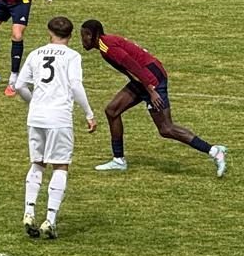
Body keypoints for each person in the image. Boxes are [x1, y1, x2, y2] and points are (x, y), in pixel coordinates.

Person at [80, 19, 227, 177]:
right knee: (112, 111)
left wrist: (151, 91)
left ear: (91, 35)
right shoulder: (107, 43)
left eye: (83, 36)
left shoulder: (107, 47)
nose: (82, 41)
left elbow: (133, 66)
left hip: (151, 79)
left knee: (166, 128)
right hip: (143, 78)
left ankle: (214, 151)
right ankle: (118, 160)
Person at [11, 16, 96, 240]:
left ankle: (29, 212)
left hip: (36, 117)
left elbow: (19, 85)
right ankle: (50, 219)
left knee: (37, 163)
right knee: (60, 166)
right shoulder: (72, 56)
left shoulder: (36, 53)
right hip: (59, 118)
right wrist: (89, 113)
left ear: (50, 32)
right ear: (70, 35)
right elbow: (76, 86)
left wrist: (33, 102)